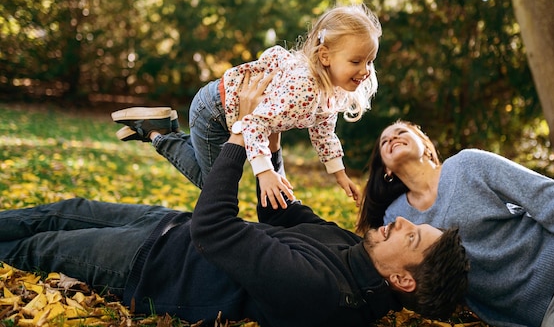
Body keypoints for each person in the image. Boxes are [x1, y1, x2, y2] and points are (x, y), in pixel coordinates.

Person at [0, 79, 470, 327]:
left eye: (412, 234)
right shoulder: (352, 249)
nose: (401, 223)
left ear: (403, 278)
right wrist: (274, 140)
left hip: (150, 265)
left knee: (42, 246)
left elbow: (216, 230)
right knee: (63, 209)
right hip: (170, 228)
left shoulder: (326, 296)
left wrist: (243, 131)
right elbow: (277, 211)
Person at [356, 120, 554, 327]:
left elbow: (548, 197)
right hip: (540, 313)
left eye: (401, 132)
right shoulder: (396, 218)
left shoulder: (468, 165)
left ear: (426, 145)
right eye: (385, 141)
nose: (393, 138)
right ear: (386, 169)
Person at [111, 4, 381, 209]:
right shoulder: (305, 87)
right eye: (356, 61)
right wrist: (264, 173)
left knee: (220, 177)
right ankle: (160, 134)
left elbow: (324, 133)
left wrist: (339, 173)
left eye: (370, 61)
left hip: (229, 111)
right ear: (325, 56)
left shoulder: (330, 91)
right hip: (215, 112)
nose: (365, 70)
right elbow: (253, 123)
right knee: (214, 184)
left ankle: (164, 126)